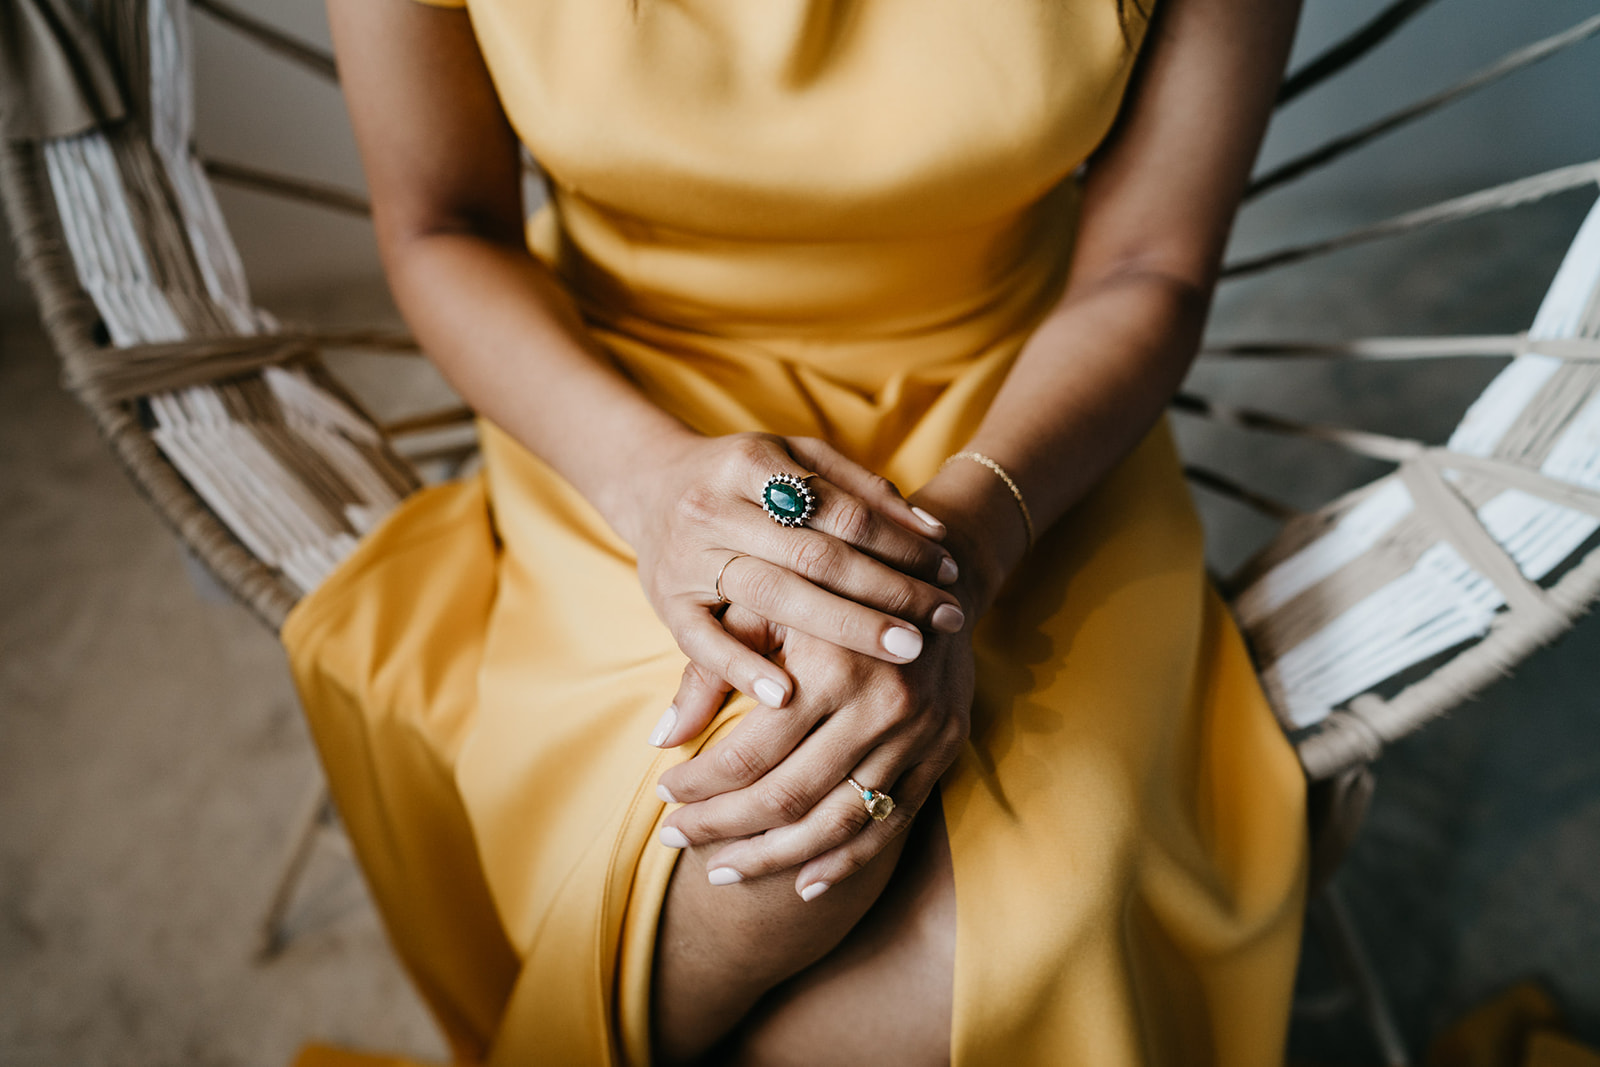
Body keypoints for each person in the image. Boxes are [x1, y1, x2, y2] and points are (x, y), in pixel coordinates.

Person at [286, 0, 1310, 1062]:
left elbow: (1150, 262)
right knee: (762, 858)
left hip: (1024, 421)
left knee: (989, 950)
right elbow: (441, 227)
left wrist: (950, 556)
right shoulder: (636, 456)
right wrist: (649, 483)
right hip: (624, 413)